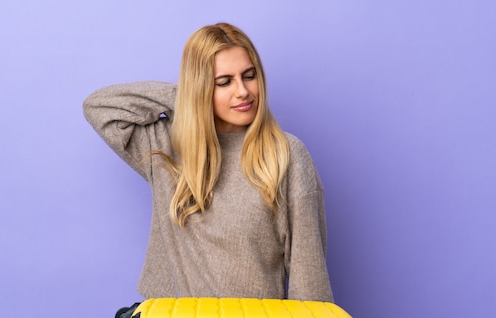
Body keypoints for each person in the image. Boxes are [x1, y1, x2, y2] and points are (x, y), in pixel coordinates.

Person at [83, 22, 333, 303]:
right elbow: (99, 106)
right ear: (200, 86)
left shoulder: (285, 154)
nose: (243, 91)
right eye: (224, 82)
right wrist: (190, 97)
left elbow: (309, 278)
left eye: (249, 76)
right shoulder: (167, 144)